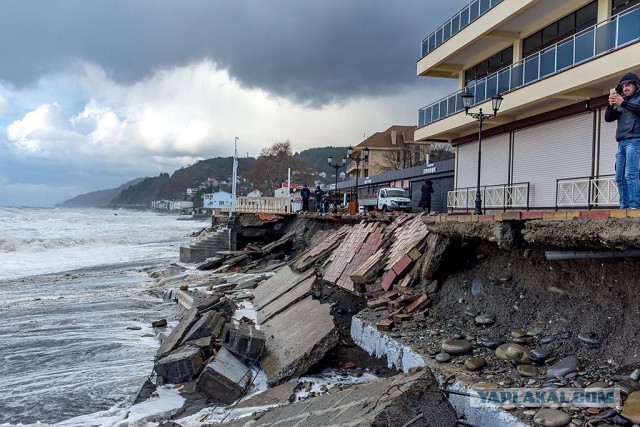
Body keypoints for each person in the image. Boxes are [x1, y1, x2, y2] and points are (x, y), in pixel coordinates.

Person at [605, 72, 640, 209]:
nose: (625, 88)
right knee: (620, 177)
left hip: (635, 140)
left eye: (628, 85)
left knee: (631, 175)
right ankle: (623, 208)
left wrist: (623, 102)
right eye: (623, 86)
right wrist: (611, 104)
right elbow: (608, 118)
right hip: (621, 143)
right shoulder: (621, 101)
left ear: (635, 86)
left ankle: (635, 207)